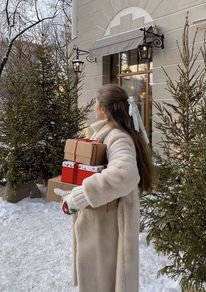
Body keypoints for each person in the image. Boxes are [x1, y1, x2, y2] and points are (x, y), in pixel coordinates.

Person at [54, 84, 153, 292]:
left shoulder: (117, 137)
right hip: (100, 221)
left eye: (96, 105)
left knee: (101, 282)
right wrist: (74, 189)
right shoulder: (109, 133)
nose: (93, 109)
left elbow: (125, 174)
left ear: (104, 109)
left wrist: (81, 196)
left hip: (107, 227)